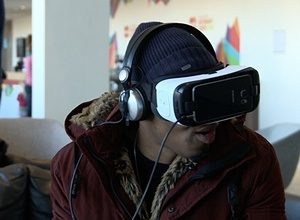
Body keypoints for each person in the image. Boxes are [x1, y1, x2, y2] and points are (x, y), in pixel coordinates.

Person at [50, 21, 287, 220]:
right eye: (190, 102)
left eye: (211, 97)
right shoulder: (72, 168)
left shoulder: (254, 159)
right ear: (137, 105)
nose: (210, 118)